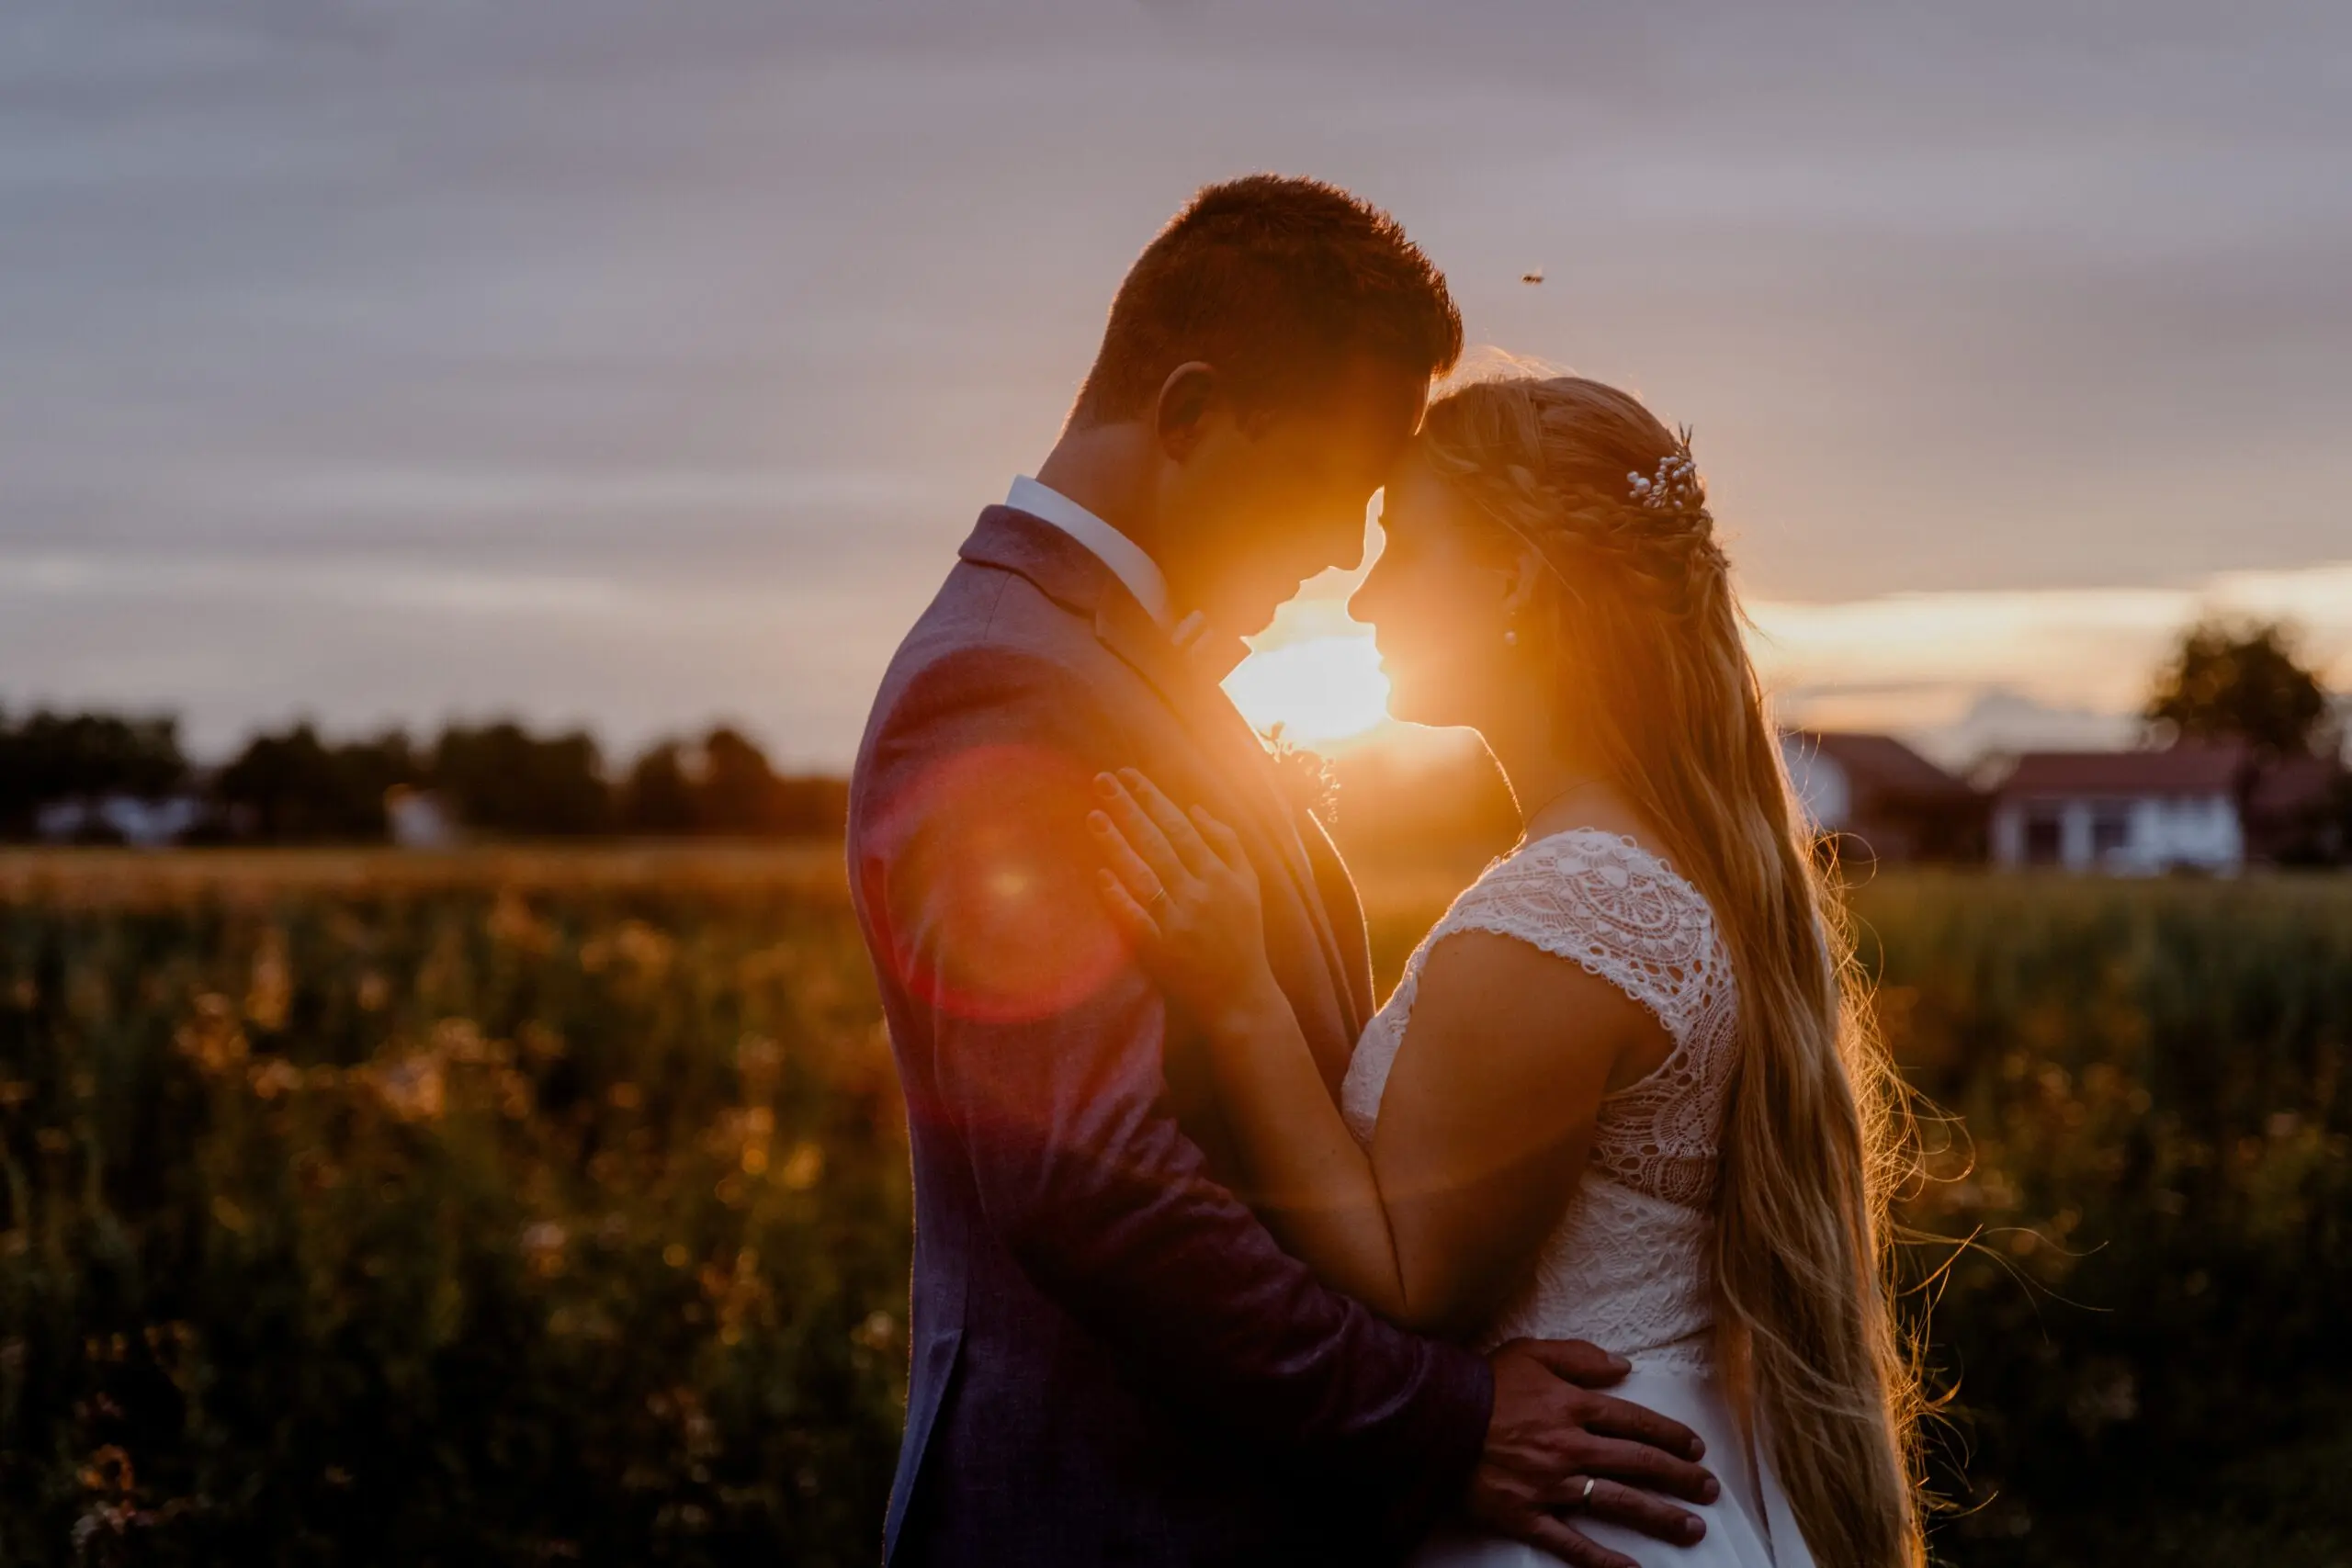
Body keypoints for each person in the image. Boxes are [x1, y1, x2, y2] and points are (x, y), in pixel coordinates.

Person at [848, 179, 1715, 1566]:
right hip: (1100, 1521)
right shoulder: (1006, 686)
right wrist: (1443, 1420)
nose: (1336, 555)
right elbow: (1100, 1180)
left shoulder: (1116, 667)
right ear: (1187, 415)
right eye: (1331, 488)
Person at [1087, 374, 1927, 1567]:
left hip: (1572, 1526)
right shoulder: (1650, 866)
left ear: (1512, 582)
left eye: (1402, 549)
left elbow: (1406, 1274)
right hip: (1667, 1488)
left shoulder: (1569, 904)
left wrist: (1236, 991)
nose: (1366, 597)